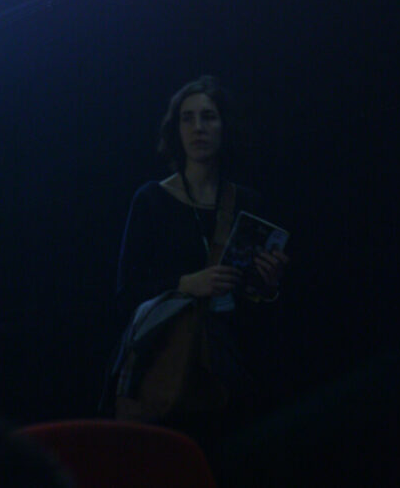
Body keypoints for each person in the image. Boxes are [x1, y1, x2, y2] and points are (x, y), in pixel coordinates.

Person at [109, 76, 289, 448]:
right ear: (175, 130)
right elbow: (126, 295)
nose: (198, 128)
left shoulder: (247, 202)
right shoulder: (152, 200)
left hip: (234, 369)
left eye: (208, 117)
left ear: (225, 126)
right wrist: (187, 283)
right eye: (187, 118)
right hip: (172, 367)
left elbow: (257, 308)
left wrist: (268, 286)